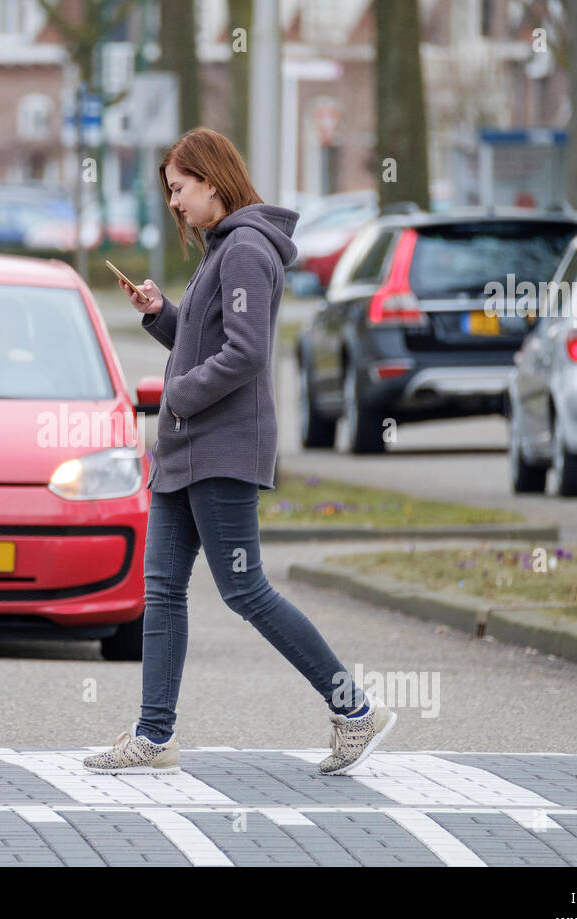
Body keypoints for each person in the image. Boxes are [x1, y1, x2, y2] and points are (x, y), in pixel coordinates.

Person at [83, 127, 396, 776]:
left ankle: (355, 709)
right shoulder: (222, 249)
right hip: (184, 454)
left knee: (244, 588)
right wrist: (160, 313)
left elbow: (247, 354)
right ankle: (155, 734)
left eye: (179, 189)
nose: (173, 203)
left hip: (219, 451)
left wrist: (179, 398)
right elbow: (204, 344)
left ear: (212, 182)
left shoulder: (247, 249)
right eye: (169, 192)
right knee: (163, 588)